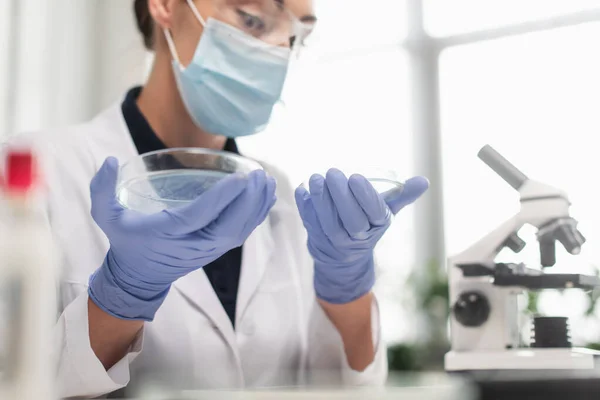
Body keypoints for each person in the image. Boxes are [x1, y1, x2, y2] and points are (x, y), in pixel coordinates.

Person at [5, 0, 429, 397]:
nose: (278, 51)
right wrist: (119, 298)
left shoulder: (283, 196)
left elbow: (342, 389)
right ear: (166, 6)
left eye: (296, 37)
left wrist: (347, 290)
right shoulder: (36, 170)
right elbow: (14, 381)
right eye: (253, 18)